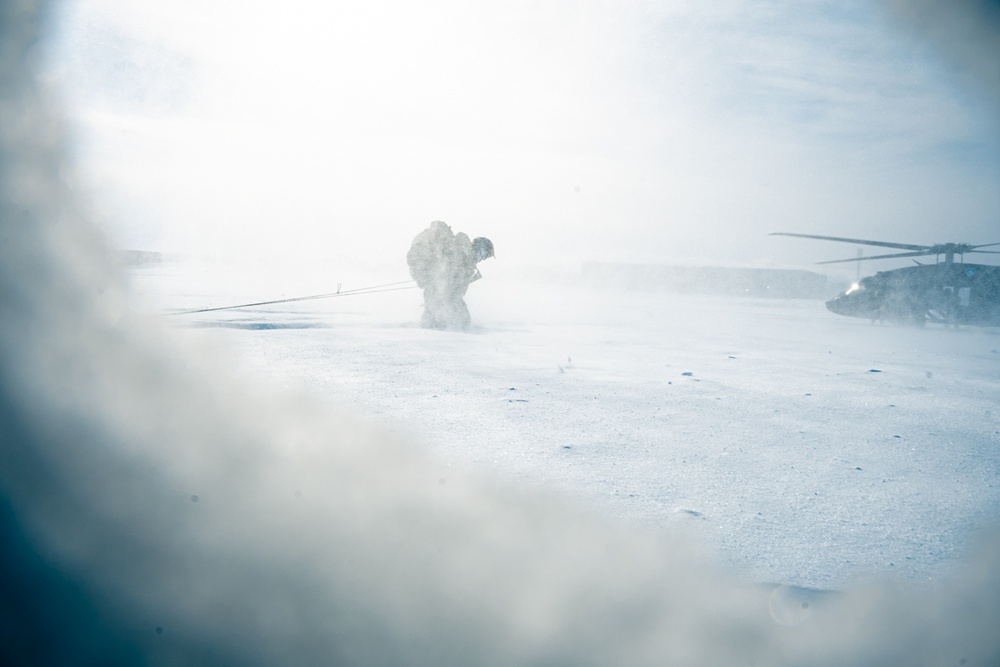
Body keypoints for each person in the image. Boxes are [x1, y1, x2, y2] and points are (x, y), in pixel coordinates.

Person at [406, 221, 495, 330]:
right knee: (460, 323)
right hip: (441, 292)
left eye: (484, 257)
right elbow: (451, 274)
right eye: (482, 253)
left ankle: (431, 329)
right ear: (477, 246)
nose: (480, 258)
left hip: (438, 292)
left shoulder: (466, 261)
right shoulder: (463, 250)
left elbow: (455, 286)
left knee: (435, 321)